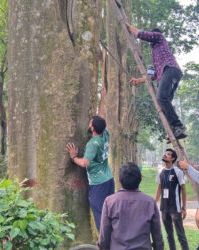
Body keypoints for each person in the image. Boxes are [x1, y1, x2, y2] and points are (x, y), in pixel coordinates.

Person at [66, 86, 114, 232]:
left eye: (90, 123)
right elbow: (101, 116)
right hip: (108, 179)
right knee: (110, 211)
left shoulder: (92, 144)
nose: (89, 123)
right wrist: (103, 98)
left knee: (100, 213)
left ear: (93, 129)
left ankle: (105, 243)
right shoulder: (105, 134)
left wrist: (74, 157)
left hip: (98, 184)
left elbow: (85, 162)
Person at [126, 24, 186, 140]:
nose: (149, 42)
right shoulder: (156, 54)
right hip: (168, 73)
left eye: (150, 38)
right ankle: (175, 129)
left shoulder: (159, 37)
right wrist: (138, 80)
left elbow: (141, 34)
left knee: (161, 98)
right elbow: (153, 76)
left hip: (170, 70)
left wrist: (127, 26)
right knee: (164, 102)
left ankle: (178, 125)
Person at [98, 162, 164, 250]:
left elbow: (104, 236)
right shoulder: (150, 202)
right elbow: (157, 236)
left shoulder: (110, 202)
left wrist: (103, 247)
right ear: (140, 179)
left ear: (119, 180)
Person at [156, 149, 189, 250]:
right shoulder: (160, 171)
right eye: (165, 153)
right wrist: (154, 203)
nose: (165, 155)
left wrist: (184, 207)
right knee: (169, 235)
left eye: (168, 154)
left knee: (180, 234)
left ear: (173, 158)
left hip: (175, 207)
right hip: (164, 207)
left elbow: (183, 189)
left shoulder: (178, 172)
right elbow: (159, 189)